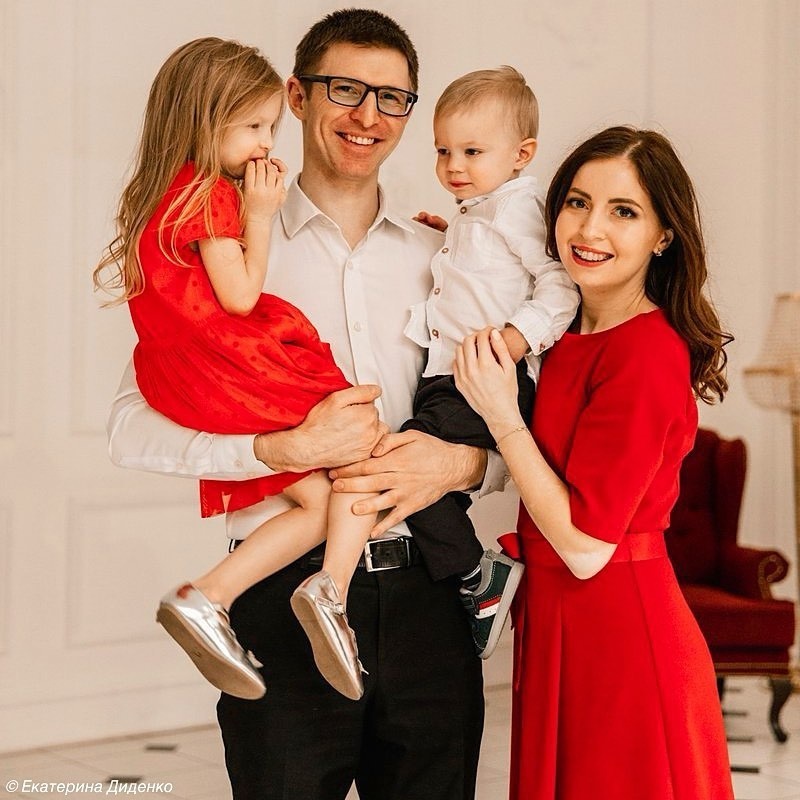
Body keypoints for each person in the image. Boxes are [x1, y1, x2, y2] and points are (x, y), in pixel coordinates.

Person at [106, 9, 490, 800]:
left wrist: (465, 466)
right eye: (345, 89)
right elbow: (131, 427)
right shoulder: (218, 242)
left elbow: (512, 421)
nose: (369, 115)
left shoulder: (448, 256)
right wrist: (277, 452)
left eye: (392, 98)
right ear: (296, 96)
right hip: (280, 599)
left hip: (429, 602)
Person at [93, 36, 391, 703]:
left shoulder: (161, 196)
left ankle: (207, 597)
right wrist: (259, 213)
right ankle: (332, 591)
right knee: (360, 432)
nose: (264, 145)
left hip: (180, 374)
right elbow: (240, 296)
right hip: (227, 362)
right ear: (206, 122)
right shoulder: (212, 197)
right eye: (254, 127)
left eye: (269, 128)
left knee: (318, 501)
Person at [453, 125, 735, 799]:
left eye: (624, 211)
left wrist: (503, 418)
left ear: (663, 236)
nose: (589, 229)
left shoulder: (646, 354)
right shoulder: (563, 332)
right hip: (563, 625)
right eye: (577, 202)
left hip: (622, 639)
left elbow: (585, 549)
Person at [400, 67, 579, 658]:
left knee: (404, 464)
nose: (453, 165)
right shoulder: (476, 211)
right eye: (443, 150)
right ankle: (471, 584)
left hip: (486, 377)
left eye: (472, 151)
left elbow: (560, 284)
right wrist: (446, 242)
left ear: (521, 154)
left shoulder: (517, 207)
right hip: (451, 375)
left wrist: (517, 339)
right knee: (421, 479)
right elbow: (484, 275)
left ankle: (477, 576)